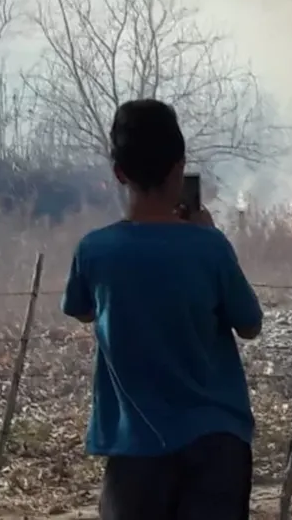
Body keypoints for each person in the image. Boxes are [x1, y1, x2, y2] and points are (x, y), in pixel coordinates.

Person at [61, 99, 263, 520]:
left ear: (119, 173)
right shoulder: (210, 248)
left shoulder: (94, 252)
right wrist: (207, 237)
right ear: (179, 167)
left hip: (135, 452)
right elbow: (249, 324)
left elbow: (84, 311)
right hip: (216, 449)